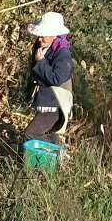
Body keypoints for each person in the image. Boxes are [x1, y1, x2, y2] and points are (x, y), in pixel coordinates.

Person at [24, 11, 73, 147]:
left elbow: (57, 78)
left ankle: (56, 149)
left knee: (31, 134)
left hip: (56, 103)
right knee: (40, 134)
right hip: (46, 99)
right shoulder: (42, 46)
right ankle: (51, 152)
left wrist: (41, 62)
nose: (39, 39)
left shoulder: (63, 54)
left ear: (54, 35)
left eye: (43, 35)